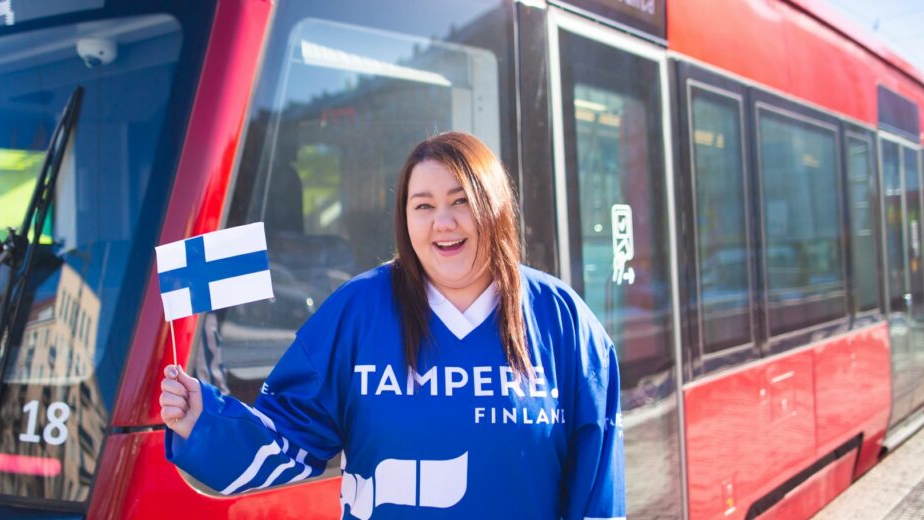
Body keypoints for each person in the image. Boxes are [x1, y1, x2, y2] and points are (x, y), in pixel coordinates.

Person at [159, 131, 625, 519]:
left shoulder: (563, 322)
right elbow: (290, 439)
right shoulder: (359, 311)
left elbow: (597, 491)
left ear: (495, 207)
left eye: (460, 201)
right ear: (405, 218)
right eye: (422, 205)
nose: (443, 222)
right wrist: (206, 420)